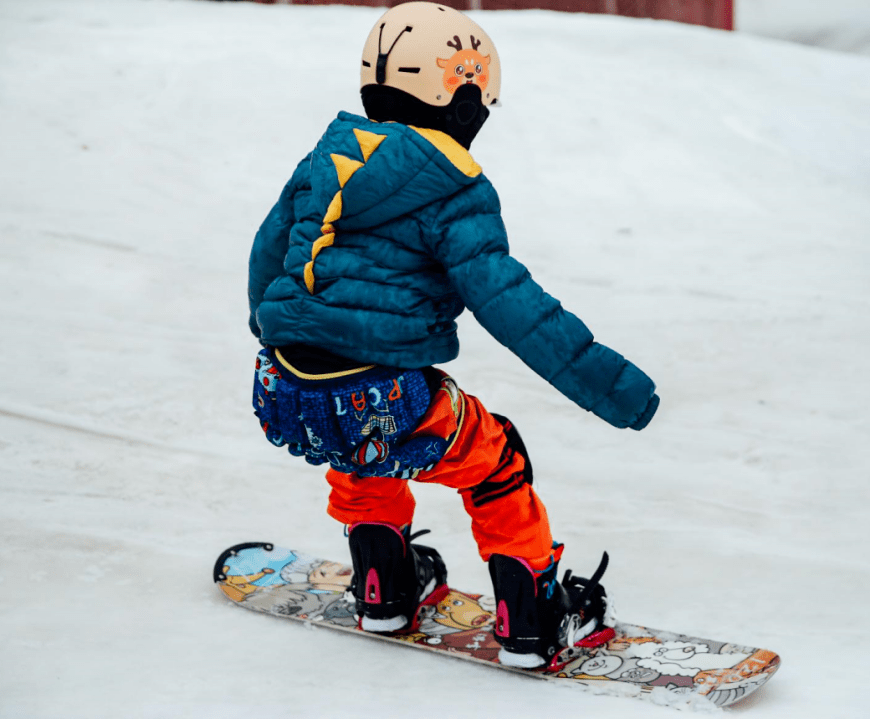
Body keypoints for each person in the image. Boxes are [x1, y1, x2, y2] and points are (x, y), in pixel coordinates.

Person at [247, 1, 659, 669]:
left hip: (284, 389)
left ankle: (384, 584)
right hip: (384, 394)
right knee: (495, 457)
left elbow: (266, 256)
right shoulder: (453, 186)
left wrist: (280, 340)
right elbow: (512, 304)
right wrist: (612, 388)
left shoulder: (327, 159)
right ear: (462, 98)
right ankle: (533, 614)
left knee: (366, 446)